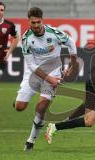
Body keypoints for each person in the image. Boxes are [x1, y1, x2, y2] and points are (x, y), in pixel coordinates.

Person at [13, 7, 77, 151]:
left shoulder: (54, 33)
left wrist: (72, 66)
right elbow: (30, 64)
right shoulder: (26, 38)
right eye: (32, 23)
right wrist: (48, 78)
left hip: (54, 72)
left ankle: (31, 140)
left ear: (42, 20)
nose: (35, 26)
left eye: (38, 22)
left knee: (41, 107)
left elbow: (71, 43)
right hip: (35, 73)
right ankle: (18, 100)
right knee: (19, 107)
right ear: (28, 21)